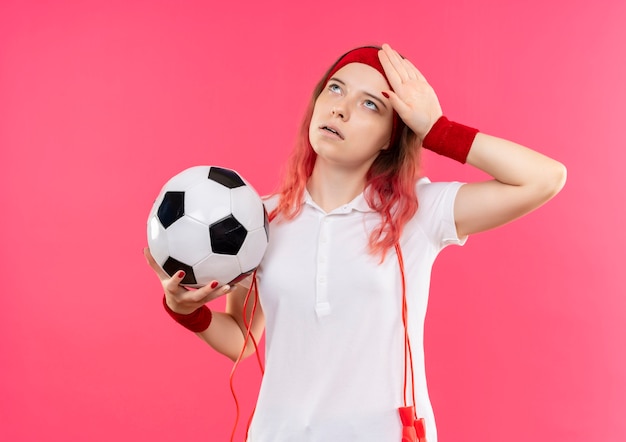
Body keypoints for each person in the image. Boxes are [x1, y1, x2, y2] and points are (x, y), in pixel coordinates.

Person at [144, 43, 566, 441]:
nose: (340, 109)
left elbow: (543, 178)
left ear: (390, 136)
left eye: (370, 104)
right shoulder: (258, 220)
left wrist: (438, 130)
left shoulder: (419, 212)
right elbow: (244, 338)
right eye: (335, 88)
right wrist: (188, 312)